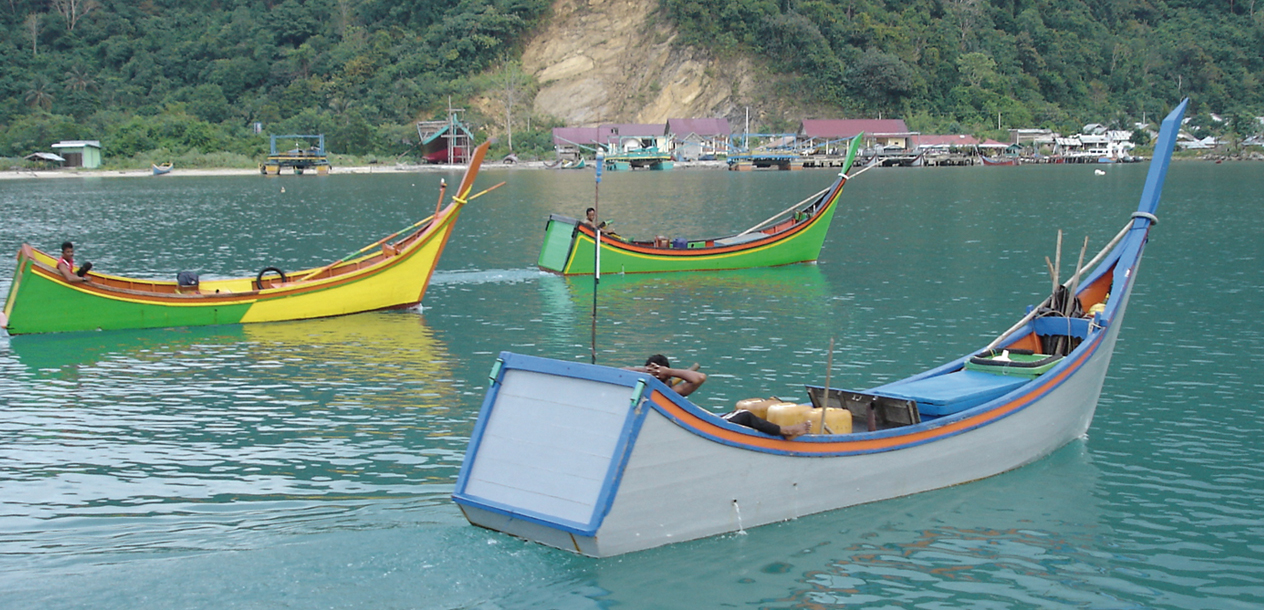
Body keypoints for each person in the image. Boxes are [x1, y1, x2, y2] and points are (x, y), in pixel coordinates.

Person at [632, 354, 810, 439]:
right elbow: (621, 372)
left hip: (699, 422)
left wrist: (667, 372)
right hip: (691, 425)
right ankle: (786, 430)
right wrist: (646, 372)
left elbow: (700, 377)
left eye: (658, 374)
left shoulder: (673, 390)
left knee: (743, 413)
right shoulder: (647, 386)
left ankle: (784, 430)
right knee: (745, 415)